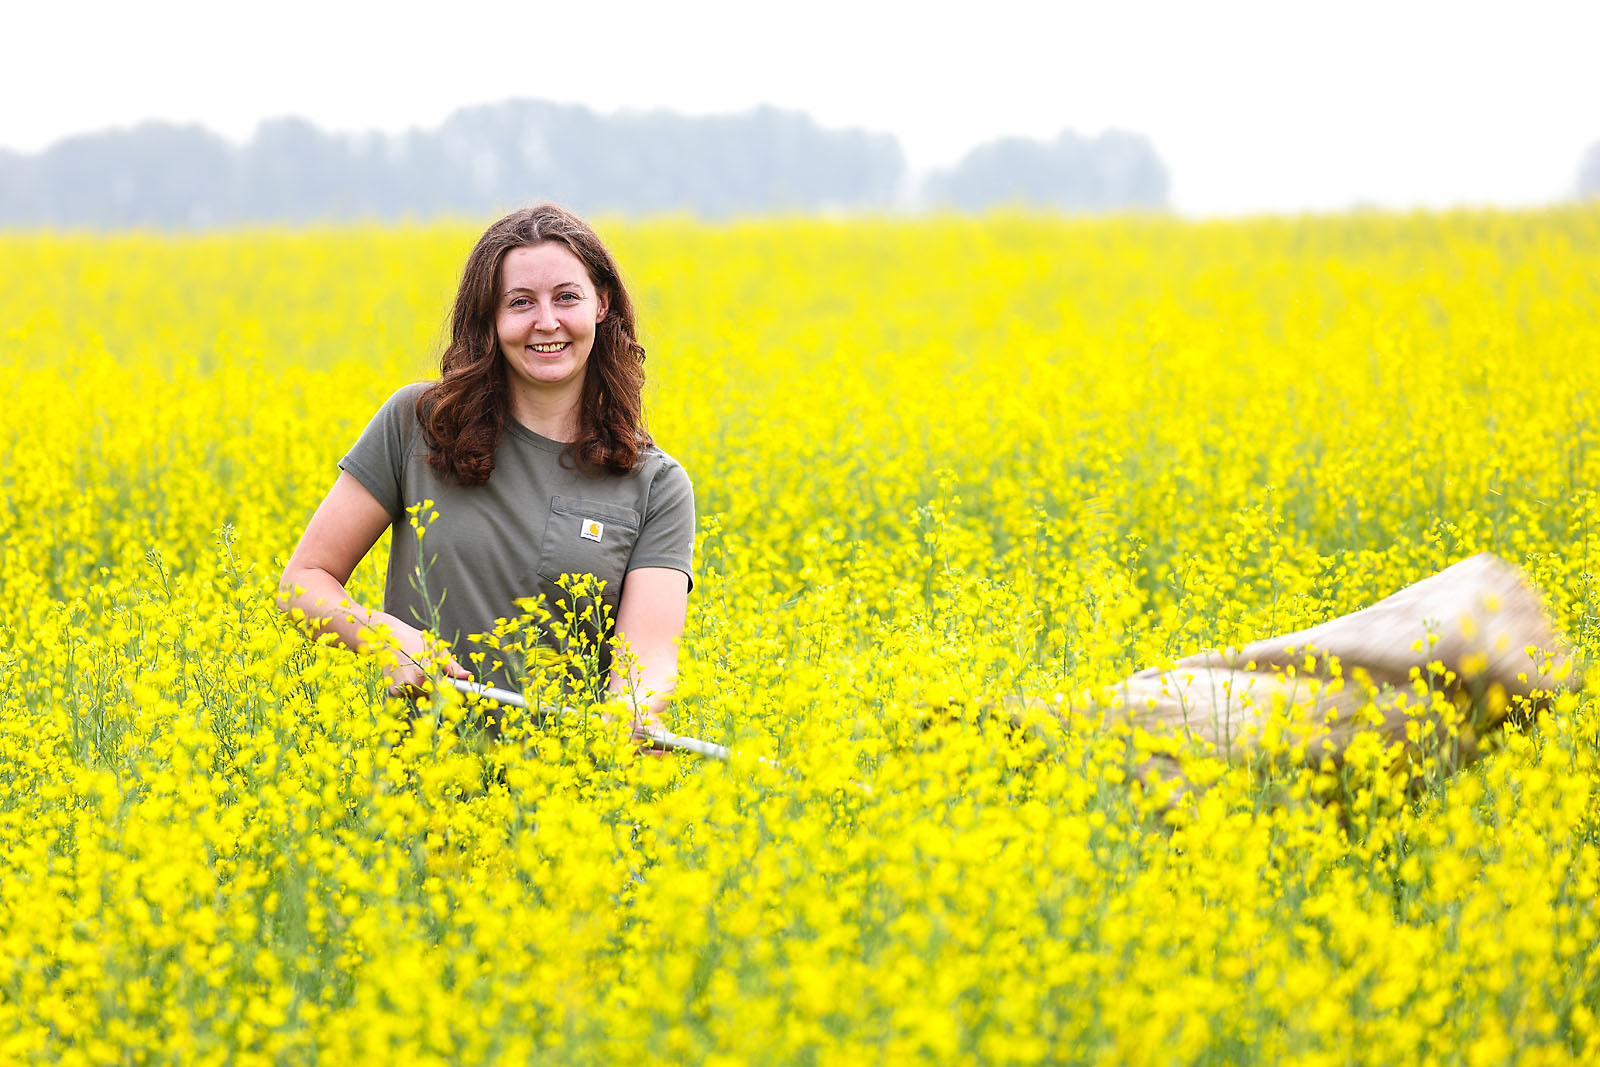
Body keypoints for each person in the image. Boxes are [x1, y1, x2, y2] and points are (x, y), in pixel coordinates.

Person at [277, 204, 695, 739]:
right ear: (490, 319)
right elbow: (303, 583)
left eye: (567, 297)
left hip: (563, 801)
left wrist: (632, 721)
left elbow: (649, 661)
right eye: (520, 303)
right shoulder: (418, 424)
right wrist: (386, 639)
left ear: (602, 305)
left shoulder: (654, 485)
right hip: (415, 789)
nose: (546, 322)